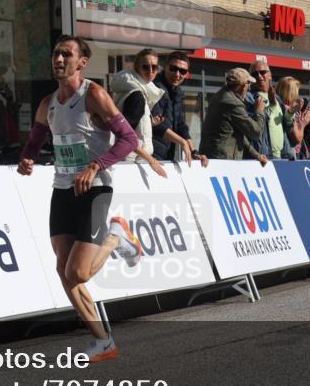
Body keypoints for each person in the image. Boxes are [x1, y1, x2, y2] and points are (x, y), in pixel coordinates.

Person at [16, 36, 142, 362]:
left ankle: (116, 237)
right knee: (63, 270)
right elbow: (35, 140)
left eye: (66, 54)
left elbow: (129, 139)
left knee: (80, 273)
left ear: (81, 62)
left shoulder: (94, 96)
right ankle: (103, 340)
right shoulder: (48, 104)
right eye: (56, 53)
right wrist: (27, 158)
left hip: (95, 187)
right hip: (63, 190)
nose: (59, 59)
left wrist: (95, 164)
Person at [110, 48, 167, 177]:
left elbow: (130, 126)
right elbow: (125, 135)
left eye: (155, 67)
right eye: (146, 67)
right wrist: (151, 160)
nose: (151, 71)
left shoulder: (135, 91)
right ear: (137, 68)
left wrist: (149, 123)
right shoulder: (137, 95)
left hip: (134, 158)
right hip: (130, 160)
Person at [198, 68, 269, 165]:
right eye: (249, 84)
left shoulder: (222, 96)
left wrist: (256, 155)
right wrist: (259, 111)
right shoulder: (232, 103)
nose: (249, 88)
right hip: (223, 161)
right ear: (244, 86)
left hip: (216, 158)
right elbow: (256, 132)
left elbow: (238, 134)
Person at [151, 51, 205, 165]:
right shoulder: (156, 88)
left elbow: (180, 125)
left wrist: (193, 150)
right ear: (165, 67)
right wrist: (182, 142)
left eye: (182, 71)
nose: (177, 74)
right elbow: (157, 125)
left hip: (167, 154)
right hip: (151, 155)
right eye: (173, 68)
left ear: (186, 74)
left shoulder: (177, 91)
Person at [243, 59, 283, 158]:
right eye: (255, 74)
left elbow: (285, 125)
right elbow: (251, 127)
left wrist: (291, 114)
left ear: (270, 75)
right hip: (262, 157)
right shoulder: (248, 98)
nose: (259, 76)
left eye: (262, 72)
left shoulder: (278, 98)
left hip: (281, 156)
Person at [274, 76, 310, 161]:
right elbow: (297, 138)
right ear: (291, 93)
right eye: (296, 91)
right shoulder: (287, 110)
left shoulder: (279, 107)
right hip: (291, 154)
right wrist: (304, 122)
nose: (297, 95)